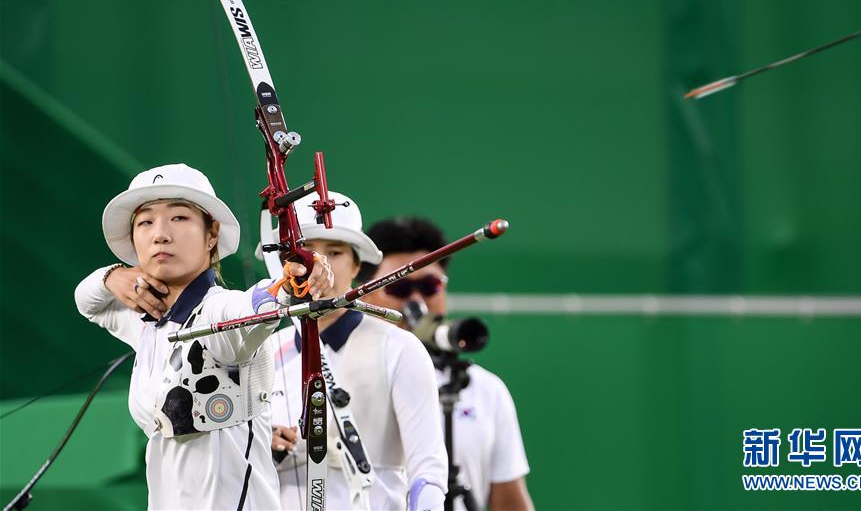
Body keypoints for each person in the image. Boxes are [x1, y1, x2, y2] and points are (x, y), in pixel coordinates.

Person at [74, 163, 333, 510]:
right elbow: (86, 301)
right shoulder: (144, 318)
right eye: (145, 222)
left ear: (211, 234)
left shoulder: (219, 311)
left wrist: (295, 279)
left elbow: (258, 304)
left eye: (179, 218)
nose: (160, 234)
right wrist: (112, 276)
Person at [267, 192, 448, 511]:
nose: (318, 264)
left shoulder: (399, 348)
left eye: (334, 252)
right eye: (305, 251)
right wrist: (259, 445)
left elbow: (428, 471)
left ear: (356, 265)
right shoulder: (264, 351)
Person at [361, 217, 534, 511]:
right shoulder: (337, 373)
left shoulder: (484, 389)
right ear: (363, 290)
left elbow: (511, 501)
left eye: (430, 286)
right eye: (399, 288)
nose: (417, 302)